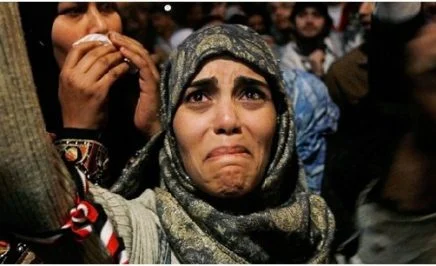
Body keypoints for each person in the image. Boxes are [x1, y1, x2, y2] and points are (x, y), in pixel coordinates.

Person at [0, 21, 334, 263]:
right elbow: (42, 206)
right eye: (198, 96)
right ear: (172, 133)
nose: (228, 121)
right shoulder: (140, 232)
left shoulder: (315, 229)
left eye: (251, 94)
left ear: (282, 120)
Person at [19, 2, 161, 186]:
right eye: (74, 11)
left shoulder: (139, 95)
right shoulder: (18, 128)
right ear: (40, 28)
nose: (101, 26)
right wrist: (78, 129)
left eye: (106, 7)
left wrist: (155, 129)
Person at [280, 3, 341, 77]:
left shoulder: (338, 47)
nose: (309, 21)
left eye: (316, 15)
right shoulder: (286, 56)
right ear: (293, 21)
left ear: (326, 21)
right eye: (302, 15)